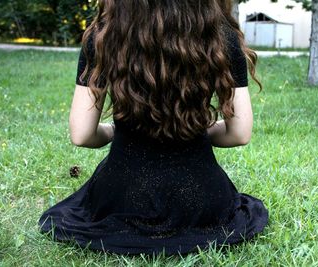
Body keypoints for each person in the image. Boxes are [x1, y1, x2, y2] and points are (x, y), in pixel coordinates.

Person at [38, 0, 268, 255]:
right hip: (202, 200)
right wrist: (196, 131)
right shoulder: (220, 35)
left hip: (122, 198)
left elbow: (82, 134)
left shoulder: (104, 35)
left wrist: (118, 132)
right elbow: (240, 133)